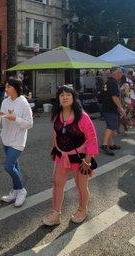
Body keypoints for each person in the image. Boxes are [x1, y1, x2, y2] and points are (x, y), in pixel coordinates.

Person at [42, 85, 98, 226]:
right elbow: (56, 132)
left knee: (81, 185)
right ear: (58, 98)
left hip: (80, 158)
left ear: (73, 97)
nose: (64, 97)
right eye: (61, 95)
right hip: (62, 156)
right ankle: (55, 214)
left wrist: (88, 161)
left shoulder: (83, 117)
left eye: (68, 95)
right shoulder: (57, 115)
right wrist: (54, 148)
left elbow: (92, 139)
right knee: (57, 183)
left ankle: (82, 209)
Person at [0, 77, 33, 208]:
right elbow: (1, 119)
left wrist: (15, 119)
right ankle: (15, 190)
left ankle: (21, 190)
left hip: (18, 140)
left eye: (8, 87)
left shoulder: (23, 102)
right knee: (15, 166)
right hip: (6, 138)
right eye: (6, 87)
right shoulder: (5, 101)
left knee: (8, 166)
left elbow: (29, 123)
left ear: (16, 88)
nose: (6, 89)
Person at [100, 67, 126, 156]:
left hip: (106, 108)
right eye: (120, 73)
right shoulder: (113, 83)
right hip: (111, 108)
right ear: (116, 73)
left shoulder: (108, 82)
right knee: (111, 127)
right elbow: (114, 97)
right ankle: (104, 145)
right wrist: (121, 108)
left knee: (110, 126)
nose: (121, 74)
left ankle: (111, 144)